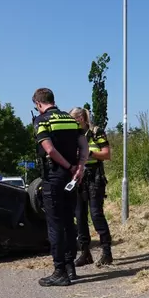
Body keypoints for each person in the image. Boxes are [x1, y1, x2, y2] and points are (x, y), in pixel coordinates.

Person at [32, 88, 89, 286]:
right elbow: (84, 145)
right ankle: (70, 267)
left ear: (39, 104)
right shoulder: (70, 119)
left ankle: (59, 272)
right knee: (68, 222)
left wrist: (68, 166)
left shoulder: (42, 120)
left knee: (55, 225)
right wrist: (79, 167)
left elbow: (49, 149)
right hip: (72, 179)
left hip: (55, 176)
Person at [69, 107, 113, 267]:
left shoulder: (96, 132)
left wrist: (90, 154)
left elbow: (107, 154)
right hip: (78, 176)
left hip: (94, 176)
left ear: (82, 118)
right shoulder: (72, 135)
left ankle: (107, 252)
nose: (73, 122)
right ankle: (85, 253)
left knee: (96, 214)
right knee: (79, 216)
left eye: (74, 119)